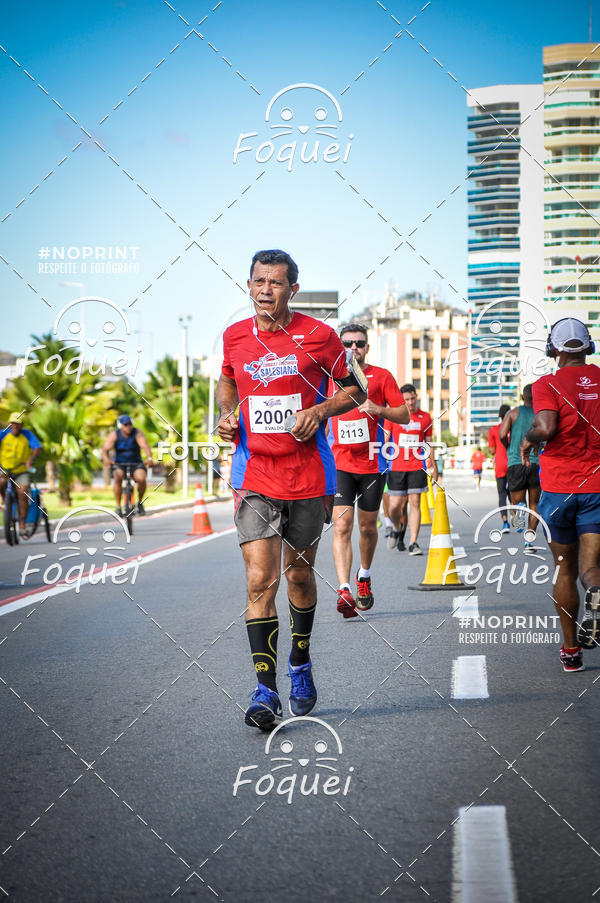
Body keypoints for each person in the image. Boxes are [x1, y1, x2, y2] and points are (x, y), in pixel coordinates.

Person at [216, 249, 365, 730]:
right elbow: (226, 380)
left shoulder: (319, 337)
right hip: (254, 474)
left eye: (275, 283)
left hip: (306, 475)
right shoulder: (235, 336)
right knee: (260, 580)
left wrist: (320, 411)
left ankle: (300, 662)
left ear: (292, 289)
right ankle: (265, 690)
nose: (265, 290)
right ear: (249, 283)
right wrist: (226, 413)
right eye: (258, 281)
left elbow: (356, 390)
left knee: (299, 577)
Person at [521, 317, 600, 673]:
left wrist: (529, 436)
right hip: (596, 487)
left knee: (563, 569)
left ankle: (571, 651)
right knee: (591, 567)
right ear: (588, 347)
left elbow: (547, 427)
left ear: (553, 349)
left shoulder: (547, 383)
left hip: (558, 488)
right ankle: (596, 591)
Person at [328, 324, 408, 617]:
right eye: (347, 343)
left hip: (373, 464)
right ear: (340, 346)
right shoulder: (329, 379)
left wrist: (379, 409)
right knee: (342, 526)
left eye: (359, 343)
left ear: (367, 347)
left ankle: (364, 575)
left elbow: (404, 414)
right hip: (340, 465)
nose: (353, 348)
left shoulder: (382, 376)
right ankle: (344, 588)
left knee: (366, 527)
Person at [386, 384, 438, 555]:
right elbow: (386, 442)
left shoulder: (425, 417)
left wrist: (434, 467)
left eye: (412, 398)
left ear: (417, 397)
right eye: (406, 399)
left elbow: (429, 443)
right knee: (395, 507)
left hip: (417, 466)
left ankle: (413, 542)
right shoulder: (392, 416)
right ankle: (396, 526)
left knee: (415, 503)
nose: (410, 402)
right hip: (396, 466)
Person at [500, 385, 541, 545]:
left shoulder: (513, 413)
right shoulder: (541, 415)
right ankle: (529, 539)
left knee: (516, 501)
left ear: (523, 397)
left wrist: (509, 447)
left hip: (516, 462)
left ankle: (519, 511)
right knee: (535, 504)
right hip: (535, 463)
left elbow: (502, 434)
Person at [102, 415, 153, 517]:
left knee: (141, 478)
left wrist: (149, 458)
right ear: (121, 426)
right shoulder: (114, 435)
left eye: (129, 424)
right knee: (117, 476)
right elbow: (105, 449)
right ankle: (118, 506)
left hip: (136, 463)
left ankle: (139, 502)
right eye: (125, 425)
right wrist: (106, 459)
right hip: (120, 464)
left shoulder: (137, 433)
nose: (128, 427)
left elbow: (145, 446)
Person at [0, 413, 41, 536]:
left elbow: (37, 447)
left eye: (18, 423)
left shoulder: (27, 435)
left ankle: (22, 525)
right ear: (10, 424)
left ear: (22, 425)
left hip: (21, 470)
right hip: (5, 469)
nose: (15, 426)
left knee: (23, 492)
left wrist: (31, 459)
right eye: (13, 423)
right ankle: (3, 501)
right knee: (1, 482)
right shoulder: (3, 434)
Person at [488, 404, 511, 532]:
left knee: (502, 494)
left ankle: (505, 522)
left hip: (501, 465)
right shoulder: (515, 429)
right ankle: (516, 515)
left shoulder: (494, 430)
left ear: (499, 416)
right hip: (514, 464)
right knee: (514, 492)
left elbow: (491, 450)